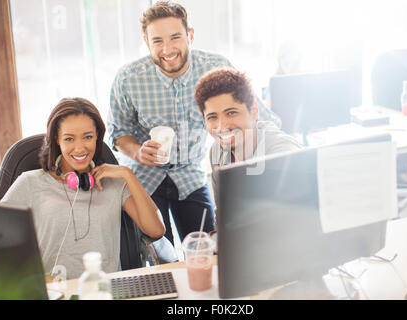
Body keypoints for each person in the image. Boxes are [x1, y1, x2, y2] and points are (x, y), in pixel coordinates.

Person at [107, 1, 281, 245]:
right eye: (157, 41)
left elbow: (259, 117)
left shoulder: (215, 67)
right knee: (157, 254)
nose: (167, 49)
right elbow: (119, 133)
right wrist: (138, 151)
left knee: (207, 247)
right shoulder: (128, 78)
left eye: (175, 37)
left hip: (190, 176)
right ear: (146, 42)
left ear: (190, 35)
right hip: (144, 179)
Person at [1, 98, 165, 279]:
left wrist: (128, 174)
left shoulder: (116, 183)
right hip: (55, 293)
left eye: (88, 137)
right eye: (69, 138)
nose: (79, 148)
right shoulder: (30, 182)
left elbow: (156, 230)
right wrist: (35, 275)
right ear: (57, 139)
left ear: (97, 137)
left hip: (105, 291)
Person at [194, 67, 302, 216]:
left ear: (254, 111)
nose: (222, 127)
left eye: (231, 113)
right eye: (212, 117)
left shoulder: (281, 152)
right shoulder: (217, 151)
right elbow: (224, 214)